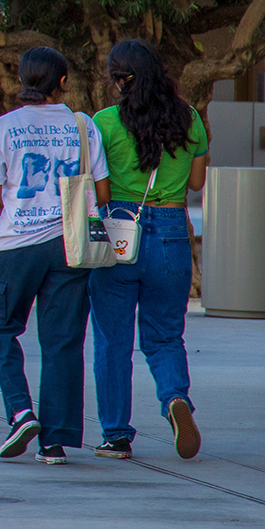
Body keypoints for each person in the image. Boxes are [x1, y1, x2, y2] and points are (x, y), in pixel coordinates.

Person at [0, 46, 110, 465]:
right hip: (70, 245)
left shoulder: (4, 128)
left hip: (16, 246)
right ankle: (54, 441)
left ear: (22, 79)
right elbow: (101, 193)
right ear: (62, 82)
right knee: (63, 340)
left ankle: (20, 411)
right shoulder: (83, 128)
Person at [88, 39, 207, 460]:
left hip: (121, 230)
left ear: (120, 79)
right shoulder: (190, 118)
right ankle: (176, 399)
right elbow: (196, 184)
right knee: (165, 335)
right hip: (173, 232)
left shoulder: (102, 122)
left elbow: (97, 187)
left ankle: (116, 435)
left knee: (112, 340)